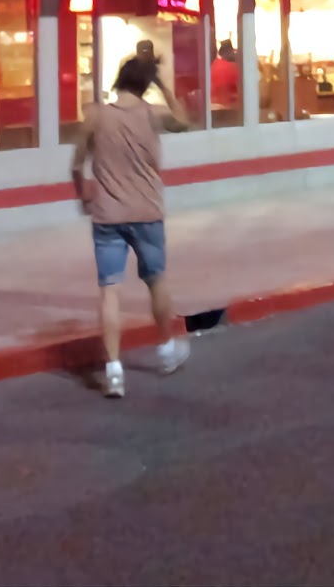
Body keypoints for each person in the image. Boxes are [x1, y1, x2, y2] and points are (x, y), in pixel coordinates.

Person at [71, 39, 189, 398]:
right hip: (147, 213)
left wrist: (83, 196)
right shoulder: (151, 115)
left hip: (107, 216)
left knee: (110, 290)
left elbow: (76, 164)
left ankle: (114, 371)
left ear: (119, 79)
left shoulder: (96, 115)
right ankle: (166, 349)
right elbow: (184, 121)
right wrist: (164, 85)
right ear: (146, 85)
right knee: (156, 280)